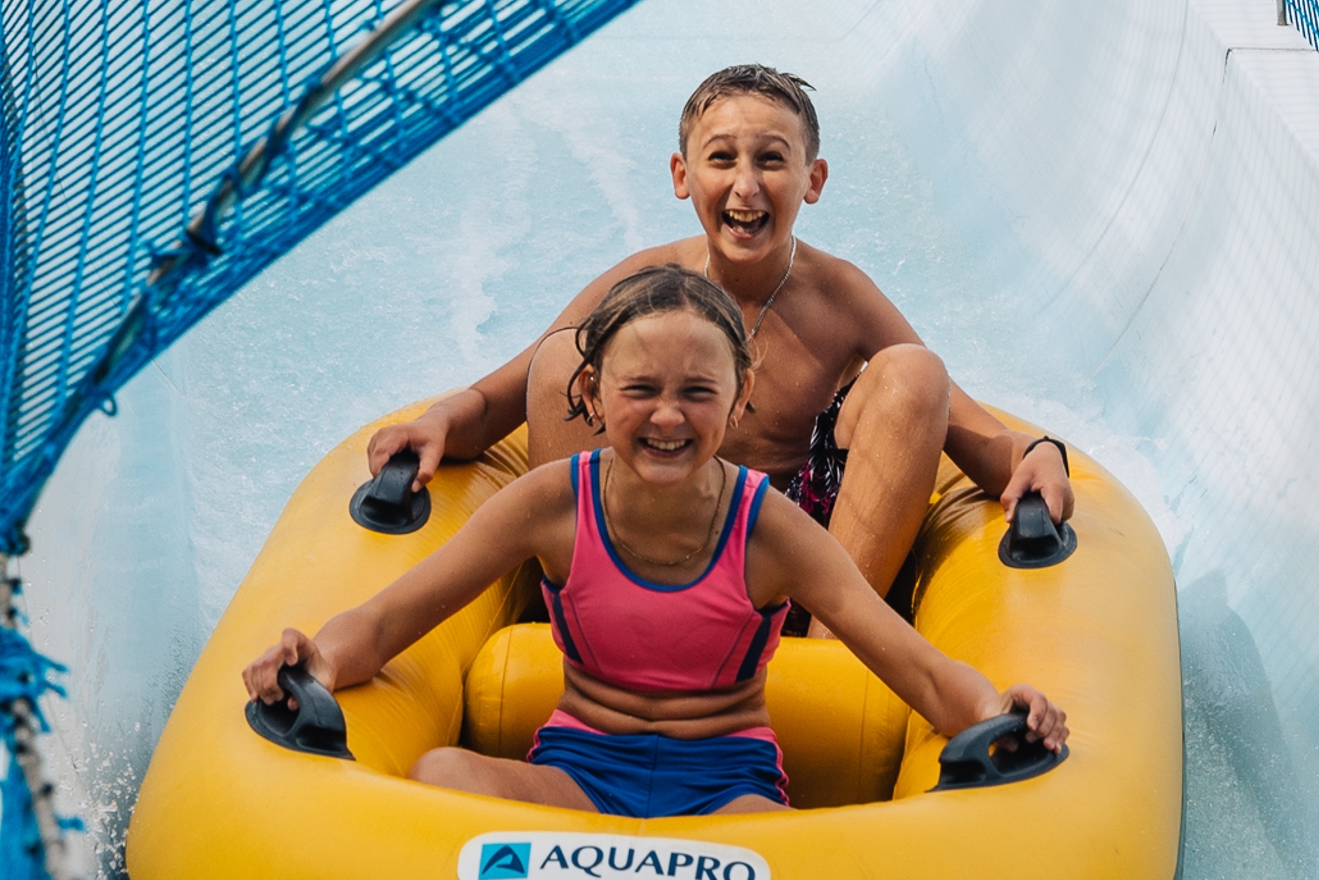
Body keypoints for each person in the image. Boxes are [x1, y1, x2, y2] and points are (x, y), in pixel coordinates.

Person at [245, 266, 1067, 819]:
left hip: (728, 790)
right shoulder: (550, 506)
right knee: (438, 777)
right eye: (639, 390)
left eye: (696, 392)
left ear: (739, 399)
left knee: (793, 852)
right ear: (592, 395)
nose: (667, 416)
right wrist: (313, 663)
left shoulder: (767, 528)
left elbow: (912, 663)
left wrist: (998, 710)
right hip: (576, 775)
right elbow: (390, 620)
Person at [361, 64, 1071, 618]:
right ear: (682, 176)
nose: (745, 186)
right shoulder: (646, 282)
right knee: (563, 357)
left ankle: (832, 664)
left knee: (914, 372)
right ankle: (579, 624)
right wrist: (436, 423)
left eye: (771, 160)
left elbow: (964, 428)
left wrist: (1037, 454)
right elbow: (507, 396)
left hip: (789, 572)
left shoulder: (838, 297)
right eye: (721, 158)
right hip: (642, 564)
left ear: (812, 180)